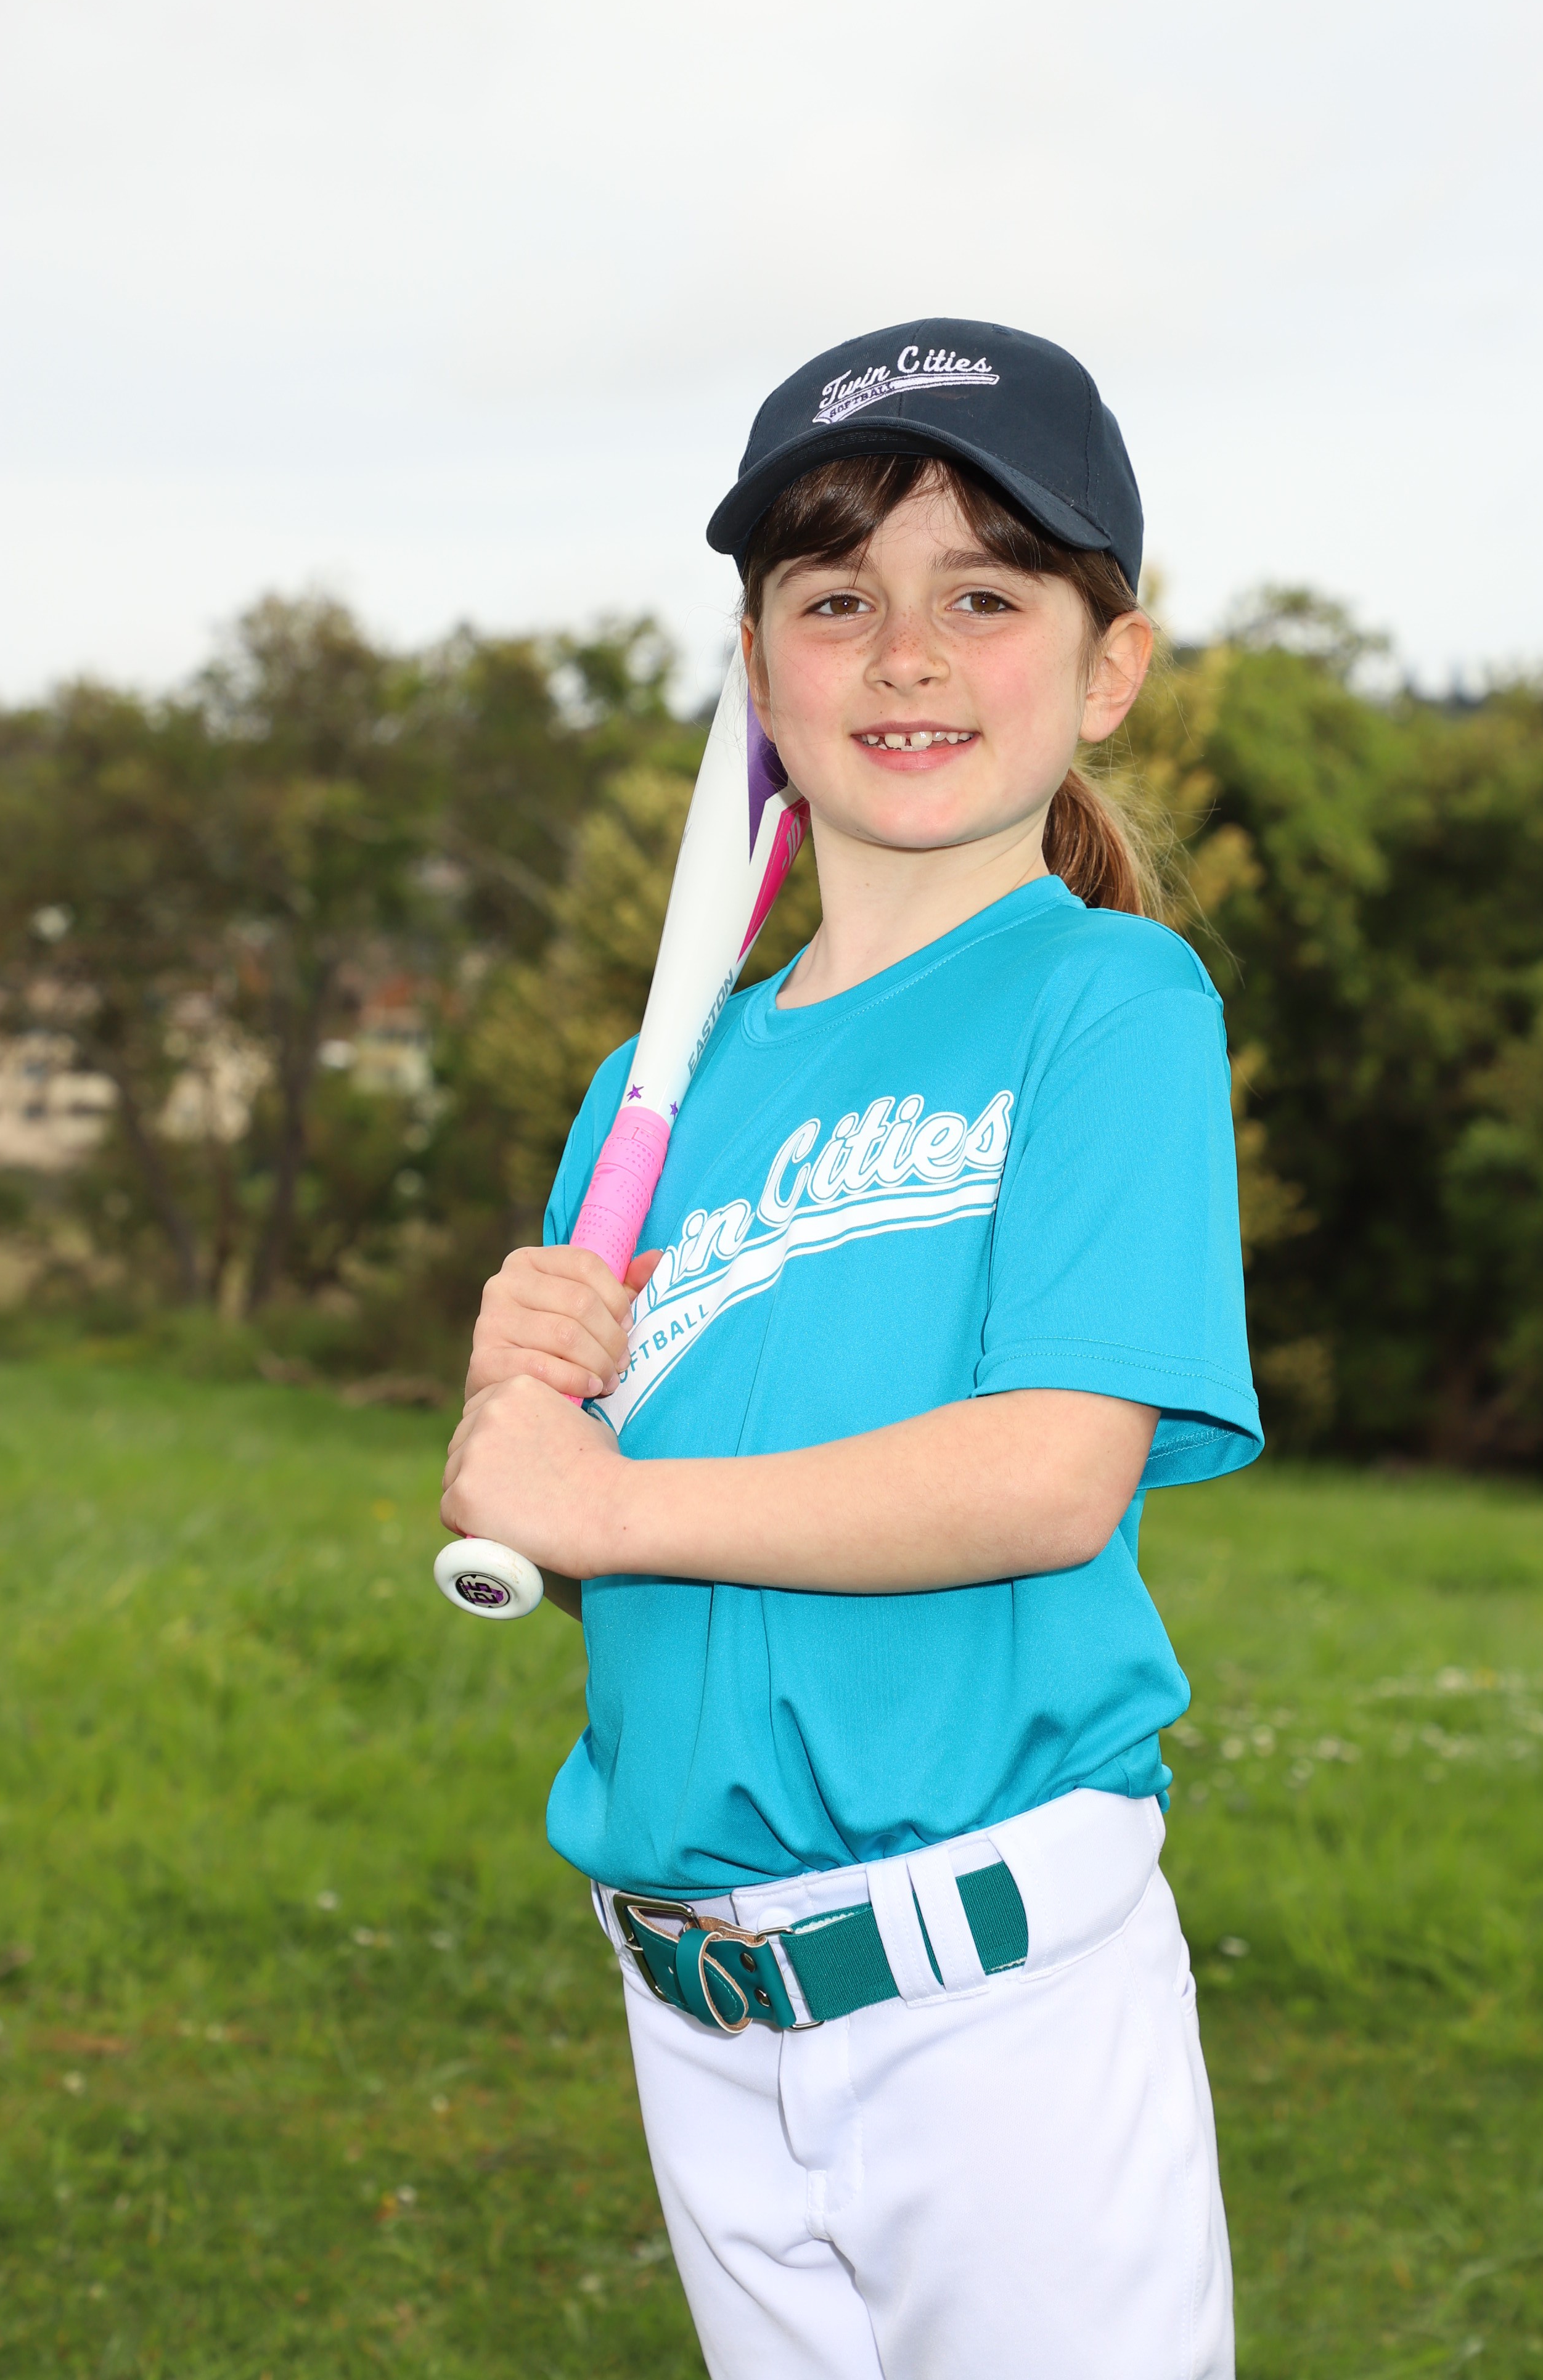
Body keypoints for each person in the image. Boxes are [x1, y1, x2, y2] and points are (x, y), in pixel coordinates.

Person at [441, 319, 1261, 2379]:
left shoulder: (1108, 1003)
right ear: (758, 670)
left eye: (984, 597)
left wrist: (612, 1505)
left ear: (1109, 666)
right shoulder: (657, 1087)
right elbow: (635, 1571)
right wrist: (527, 1430)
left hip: (1000, 2010)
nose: (904, 656)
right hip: (701, 2017)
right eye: (834, 599)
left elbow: (1046, 1475)